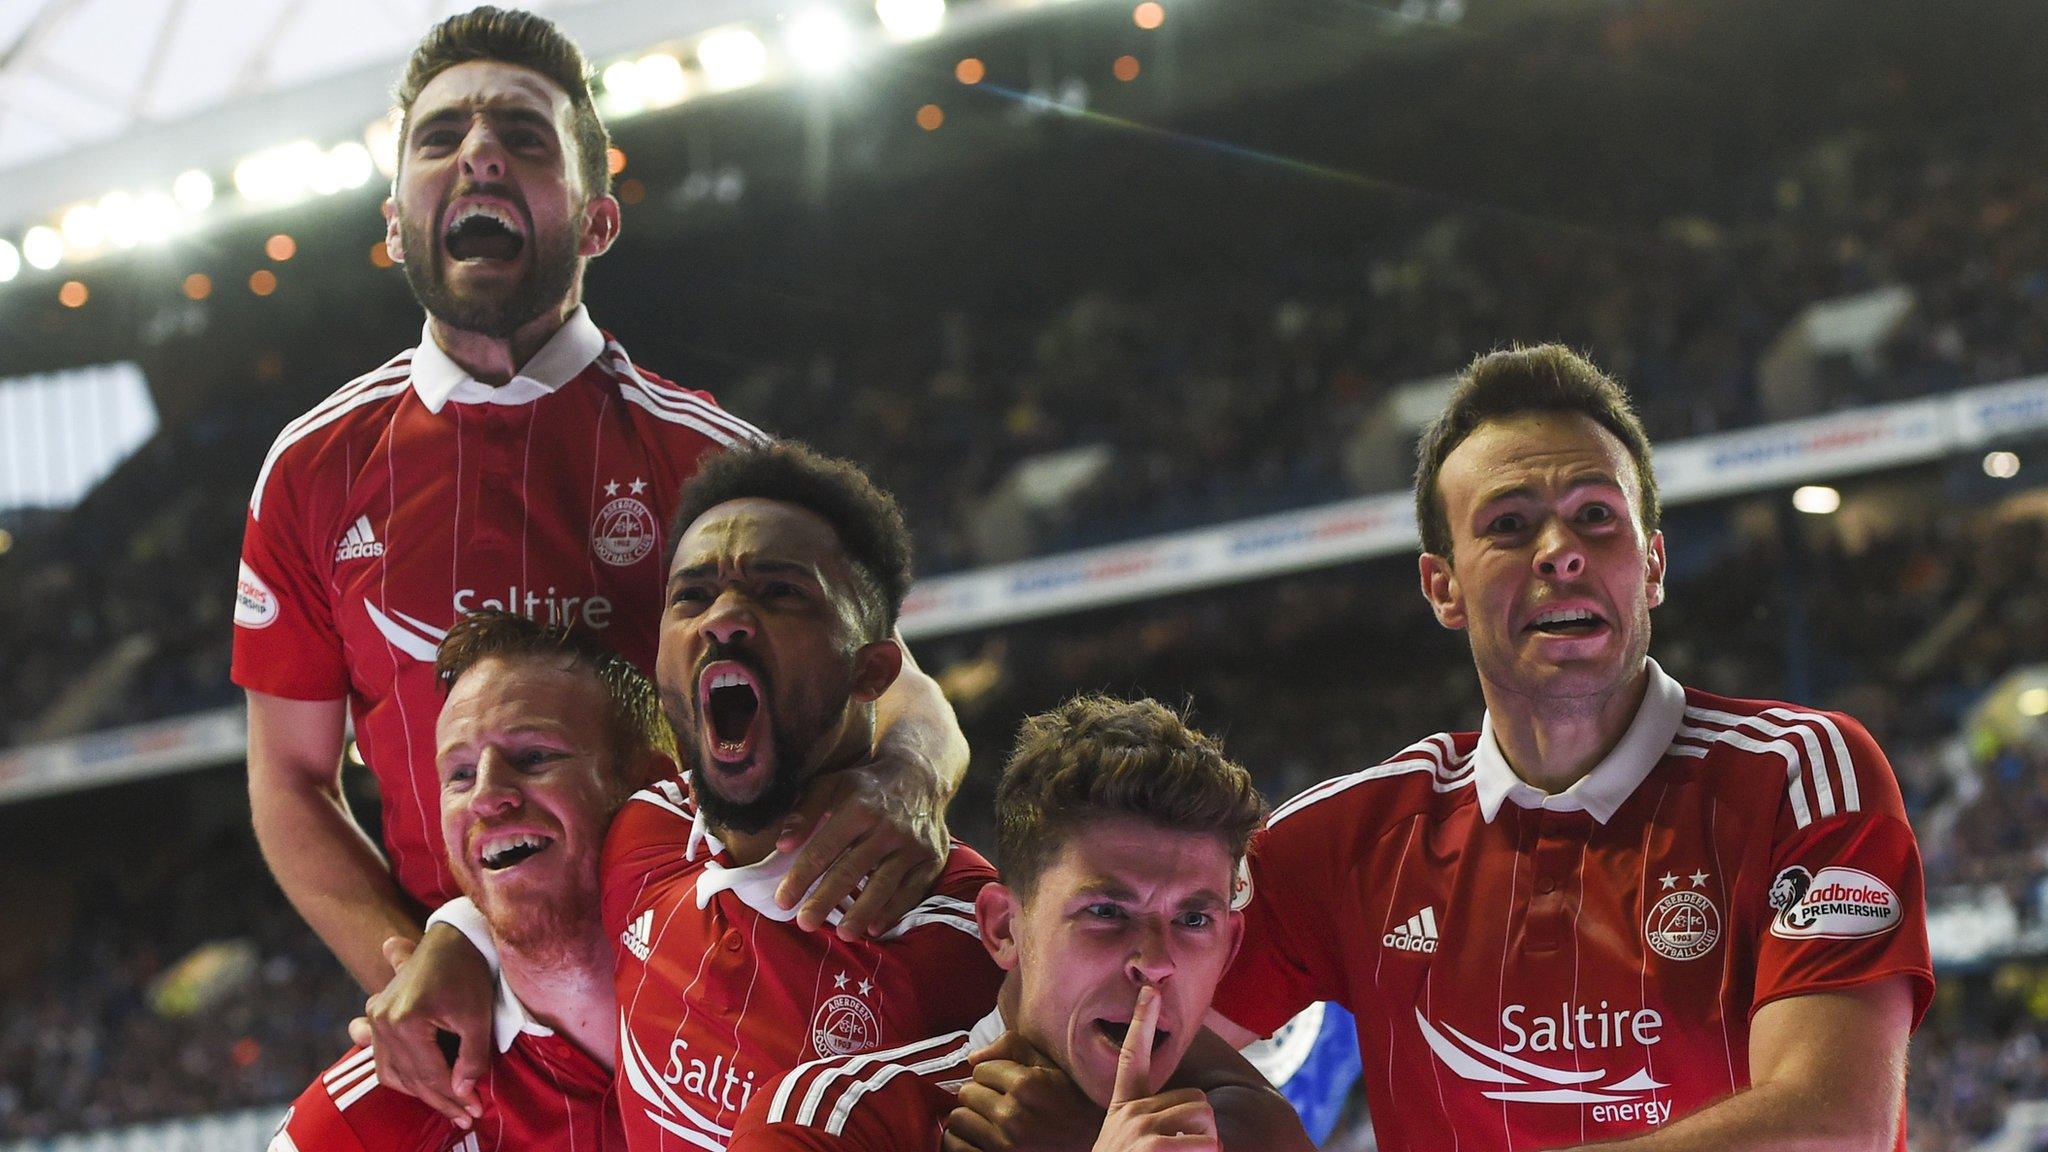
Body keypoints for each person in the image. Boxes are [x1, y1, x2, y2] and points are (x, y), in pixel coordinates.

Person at [233, 5, 966, 1117]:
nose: (477, 151)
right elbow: (289, 781)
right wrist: (418, 958)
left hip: (715, 1008)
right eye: (439, 139)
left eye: (524, 138)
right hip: (480, 1046)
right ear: (393, 225)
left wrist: (906, 781)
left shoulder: (718, 463)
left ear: (597, 219)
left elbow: (905, 695)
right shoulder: (311, 471)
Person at [1201, 344, 1934, 1150]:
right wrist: (1037, 1063)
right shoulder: (1344, 842)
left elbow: (1832, 1127)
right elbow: (1119, 1036)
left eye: (1596, 515)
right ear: (1442, 587)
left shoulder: (1799, 775)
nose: (1560, 550)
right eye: (1509, 526)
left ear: (1652, 566)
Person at [600, 441, 1005, 1149]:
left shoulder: (968, 934)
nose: (721, 619)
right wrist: (459, 935)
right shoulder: (638, 835)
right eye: (690, 596)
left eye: (779, 592)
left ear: (871, 671)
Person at [725, 694, 1296, 1152]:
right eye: (1106, 912)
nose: (1155, 960)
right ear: (1002, 929)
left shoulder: (1252, 1127)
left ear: (1228, 950)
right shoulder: (834, 1121)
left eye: (1193, 919)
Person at [275, 608, 669, 1150]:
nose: (485, 795)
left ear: (654, 785)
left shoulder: (781, 1006)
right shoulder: (362, 1125)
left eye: (533, 756)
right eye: (459, 774)